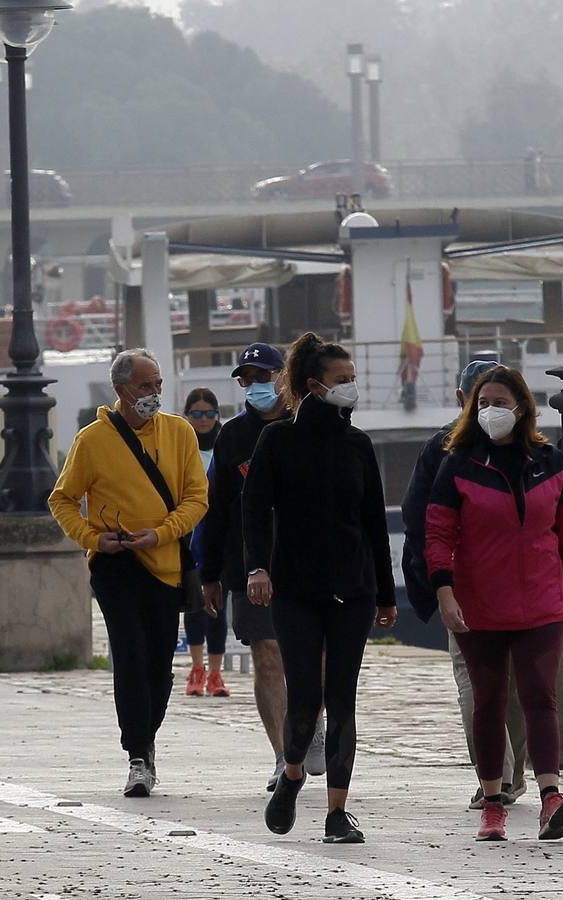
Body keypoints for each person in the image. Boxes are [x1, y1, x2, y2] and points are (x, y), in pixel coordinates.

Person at [425, 366, 563, 843]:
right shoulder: (456, 464)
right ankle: (492, 803)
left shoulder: (550, 461)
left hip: (542, 601)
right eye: (483, 403)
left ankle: (552, 796)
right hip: (481, 605)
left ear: (522, 409)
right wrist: (444, 590)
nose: (491, 411)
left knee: (541, 698)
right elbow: (438, 534)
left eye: (501, 402)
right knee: (489, 701)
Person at [245, 332, 397, 844]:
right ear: (313, 386)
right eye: (342, 381)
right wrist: (256, 569)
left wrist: (386, 593)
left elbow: (374, 521)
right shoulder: (278, 440)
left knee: (343, 699)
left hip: (352, 587)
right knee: (306, 697)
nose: (351, 388)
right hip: (296, 589)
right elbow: (253, 511)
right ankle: (291, 775)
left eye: (353, 380)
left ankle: (337, 812)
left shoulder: (358, 444)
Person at [48, 348, 208, 798]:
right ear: (120, 389)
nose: (154, 393)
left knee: (159, 663)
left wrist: (160, 534)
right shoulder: (92, 440)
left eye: (158, 384)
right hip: (115, 564)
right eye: (144, 386)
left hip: (165, 564)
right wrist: (94, 539)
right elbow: (62, 499)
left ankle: (147, 738)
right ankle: (137, 754)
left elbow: (197, 498)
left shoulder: (179, 433)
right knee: (130, 655)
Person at [400, 358, 529, 811]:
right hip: (509, 583)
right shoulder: (532, 448)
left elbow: (420, 520)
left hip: (471, 584)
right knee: (511, 681)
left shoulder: (443, 448)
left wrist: (434, 582)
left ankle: (497, 776)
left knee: (477, 679)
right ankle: (507, 775)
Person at [199, 342, 329, 791]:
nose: (255, 385)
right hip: (251, 566)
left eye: (262, 375)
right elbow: (216, 509)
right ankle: (281, 755)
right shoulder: (233, 437)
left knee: (318, 659)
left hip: (311, 562)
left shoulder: (311, 425)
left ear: (283, 377)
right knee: (267, 655)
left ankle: (312, 721)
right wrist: (209, 572)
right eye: (246, 379)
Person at [181, 387, 228, 698]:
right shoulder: (180, 446)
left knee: (218, 605)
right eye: (196, 414)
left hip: (218, 532)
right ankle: (196, 668)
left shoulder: (226, 445)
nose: (203, 420)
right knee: (194, 604)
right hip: (187, 531)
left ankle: (215, 672)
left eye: (209, 414)